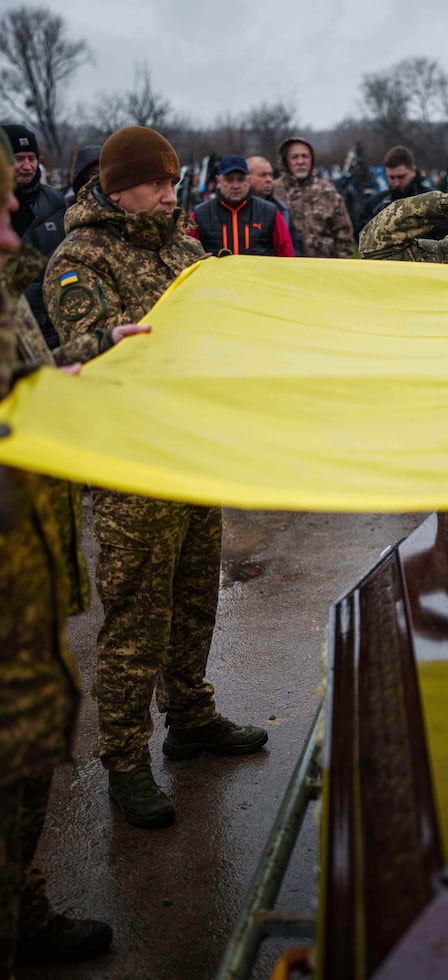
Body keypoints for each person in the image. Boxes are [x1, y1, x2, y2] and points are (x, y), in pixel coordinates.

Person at [42, 125, 268, 830]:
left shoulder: (183, 248)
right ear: (119, 188)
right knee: (137, 615)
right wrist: (114, 340)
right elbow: (84, 352)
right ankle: (125, 758)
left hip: (191, 450)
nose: (174, 194)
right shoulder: (79, 260)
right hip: (134, 462)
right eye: (159, 183)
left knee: (196, 595)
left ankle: (192, 717)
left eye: (175, 182)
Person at [0, 126, 114, 973]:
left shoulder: (5, 299)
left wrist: (73, 368)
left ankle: (20, 908)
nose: (14, 229)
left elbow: (19, 396)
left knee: (21, 786)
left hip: (24, 599)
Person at [1, 123, 67, 348]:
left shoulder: (56, 202)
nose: (27, 166)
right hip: (14, 331)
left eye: (32, 158)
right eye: (19, 159)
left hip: (56, 323)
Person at [190, 154, 293, 256]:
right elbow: (188, 257)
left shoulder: (270, 212)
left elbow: (286, 254)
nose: (235, 186)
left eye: (240, 179)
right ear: (219, 181)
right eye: (229, 180)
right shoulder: (199, 215)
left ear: (248, 181)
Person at [272, 136, 354, 258]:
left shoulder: (328, 192)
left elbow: (344, 235)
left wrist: (342, 267)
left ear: (312, 160)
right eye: (295, 157)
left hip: (323, 269)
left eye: (305, 156)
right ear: (285, 160)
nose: (300, 161)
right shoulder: (273, 191)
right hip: (283, 269)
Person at [356, 145, 448, 240]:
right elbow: (360, 237)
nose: (396, 183)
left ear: (413, 171)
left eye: (401, 177)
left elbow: (445, 240)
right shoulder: (375, 204)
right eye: (391, 177)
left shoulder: (434, 201)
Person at [247, 154, 302, 256]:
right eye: (262, 175)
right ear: (248, 179)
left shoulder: (282, 210)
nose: (269, 180)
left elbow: (294, 246)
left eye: (270, 175)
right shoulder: (237, 210)